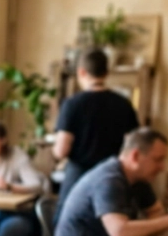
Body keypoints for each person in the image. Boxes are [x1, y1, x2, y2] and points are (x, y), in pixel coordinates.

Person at [52, 49, 140, 214]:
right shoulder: (123, 104)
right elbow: (132, 146)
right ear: (106, 73)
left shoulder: (72, 104)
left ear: (82, 72)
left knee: (67, 223)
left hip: (79, 176)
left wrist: (54, 150)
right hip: (113, 177)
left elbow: (61, 150)